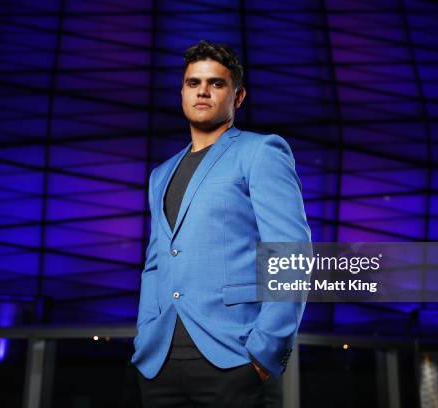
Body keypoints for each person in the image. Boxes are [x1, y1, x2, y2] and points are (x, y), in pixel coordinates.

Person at [131, 40, 311, 407]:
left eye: (216, 83)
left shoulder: (261, 152)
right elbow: (155, 264)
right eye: (193, 83)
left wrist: (265, 353)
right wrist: (144, 333)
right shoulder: (160, 174)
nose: (203, 91)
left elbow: (290, 255)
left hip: (235, 358)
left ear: (238, 96)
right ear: (181, 92)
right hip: (160, 365)